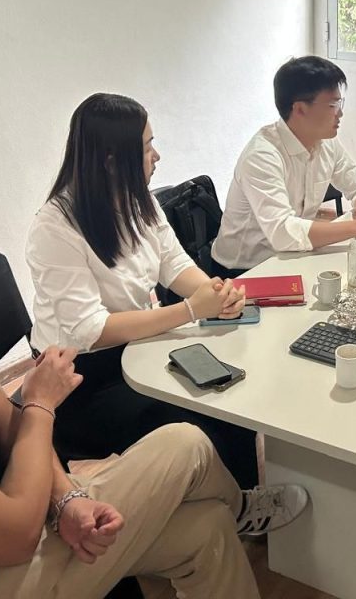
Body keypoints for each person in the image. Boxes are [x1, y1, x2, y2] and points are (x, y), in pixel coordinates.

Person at [0, 182, 308, 599]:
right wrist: (41, 404)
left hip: (20, 513)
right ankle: (242, 508)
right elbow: (17, 534)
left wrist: (67, 499)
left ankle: (235, 511)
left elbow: (12, 430)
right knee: (188, 447)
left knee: (207, 526)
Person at [26, 94, 259, 487]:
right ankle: (234, 504)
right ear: (111, 161)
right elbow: (90, 330)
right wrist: (191, 310)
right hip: (80, 378)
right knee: (199, 423)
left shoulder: (139, 202)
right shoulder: (55, 228)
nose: (157, 156)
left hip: (137, 347)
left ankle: (241, 501)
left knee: (231, 394)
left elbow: (175, 264)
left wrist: (215, 292)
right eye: (148, 146)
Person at [211, 55, 356, 276]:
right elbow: (283, 232)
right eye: (332, 105)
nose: (340, 113)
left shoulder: (325, 142)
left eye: (340, 103)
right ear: (300, 109)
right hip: (244, 271)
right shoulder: (262, 156)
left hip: (292, 256)